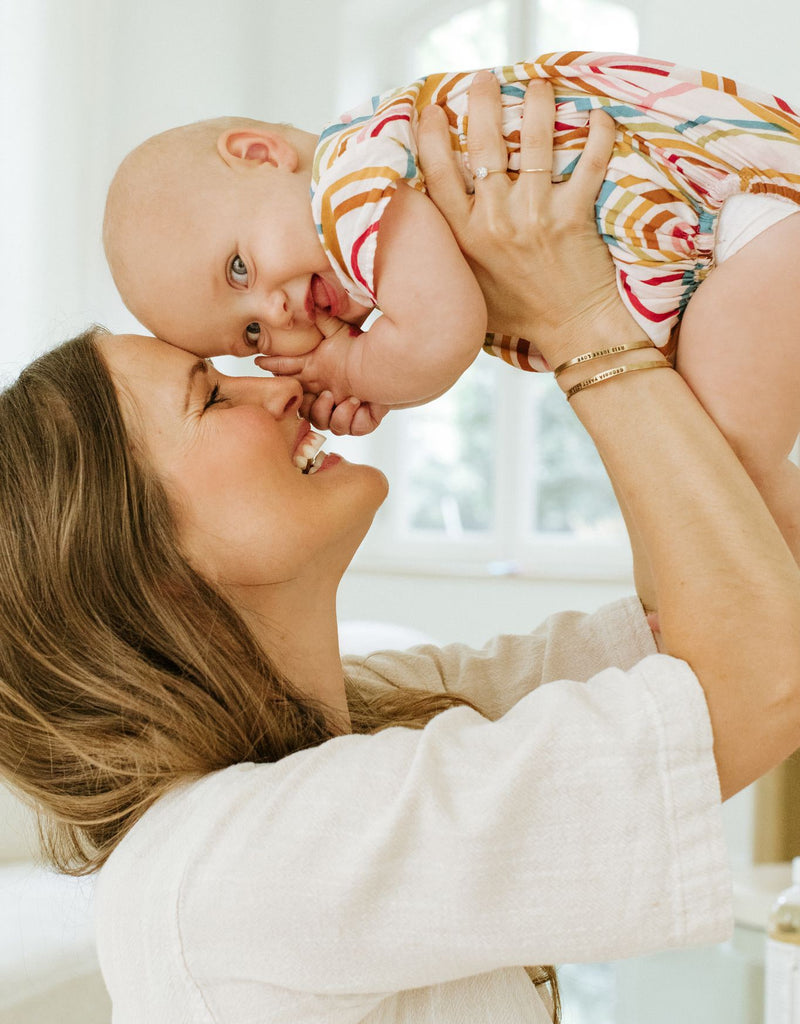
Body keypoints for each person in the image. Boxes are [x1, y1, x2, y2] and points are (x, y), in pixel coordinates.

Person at [1, 82, 799, 1023]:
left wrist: (569, 300)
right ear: (145, 575)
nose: (276, 386)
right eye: (214, 395)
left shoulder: (377, 713)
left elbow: (734, 611)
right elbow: (759, 678)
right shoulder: (241, 864)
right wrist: (580, 311)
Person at [102, 53, 800, 575]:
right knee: (712, 468)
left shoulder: (348, 186)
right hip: (729, 237)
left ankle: (695, 607)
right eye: (252, 332)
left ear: (261, 156)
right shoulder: (374, 207)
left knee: (718, 469)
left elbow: (443, 334)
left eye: (239, 270)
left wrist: (358, 366)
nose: (274, 308)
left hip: (740, 227)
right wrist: (372, 368)